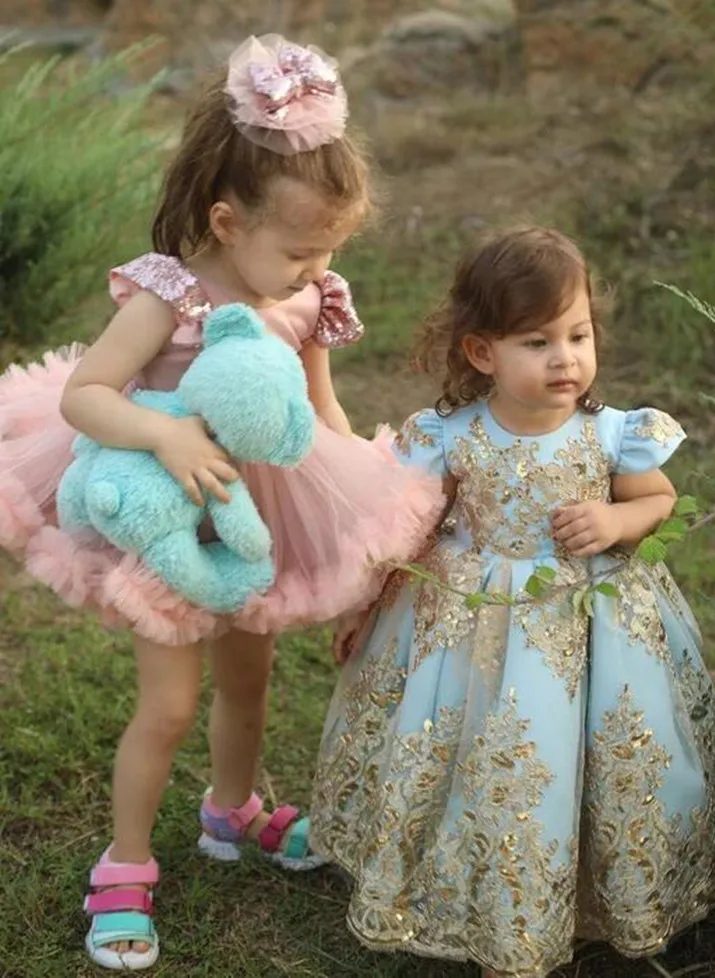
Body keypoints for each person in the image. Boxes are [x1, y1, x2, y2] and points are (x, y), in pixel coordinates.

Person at [0, 34, 442, 971]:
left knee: (252, 678)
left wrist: (358, 494)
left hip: (264, 515)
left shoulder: (310, 297)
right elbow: (89, 395)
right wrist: (164, 433)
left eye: (328, 248)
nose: (315, 266)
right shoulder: (169, 293)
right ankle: (122, 866)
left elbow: (320, 413)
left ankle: (232, 808)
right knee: (166, 707)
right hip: (166, 519)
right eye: (300, 248)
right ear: (228, 220)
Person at [310, 226, 715, 978]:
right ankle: (494, 899)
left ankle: (600, 894)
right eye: (538, 342)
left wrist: (617, 519)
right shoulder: (452, 436)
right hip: (474, 625)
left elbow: (660, 500)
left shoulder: (613, 435)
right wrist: (365, 607)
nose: (566, 359)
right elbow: (409, 533)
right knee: (490, 761)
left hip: (591, 623)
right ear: (482, 353)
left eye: (578, 335)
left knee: (602, 753)